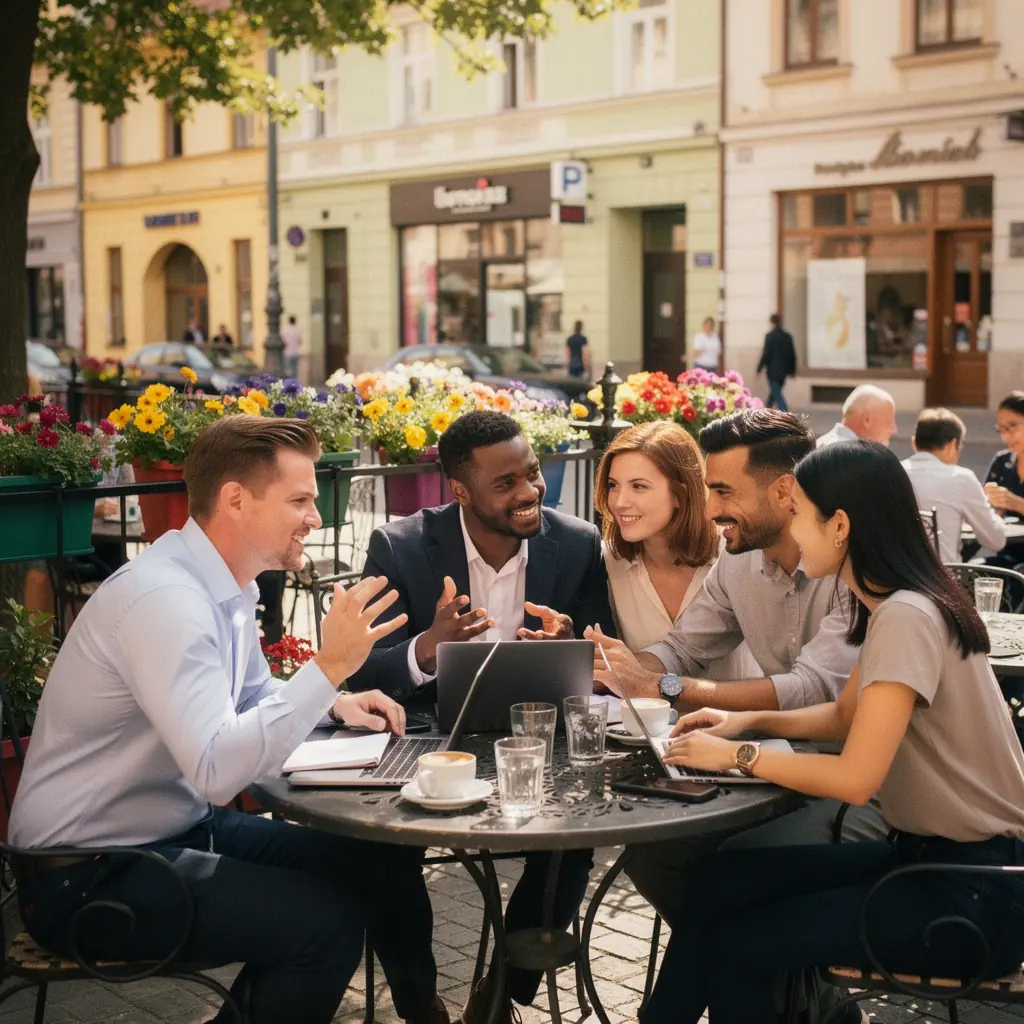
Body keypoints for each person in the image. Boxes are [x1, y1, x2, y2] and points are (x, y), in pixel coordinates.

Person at [8, 416, 446, 1024]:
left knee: (384, 858)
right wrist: (328, 670)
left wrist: (334, 700)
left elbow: (250, 695)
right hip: (85, 879)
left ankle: (422, 1011)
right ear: (235, 499)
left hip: (169, 835)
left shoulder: (222, 585)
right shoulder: (168, 601)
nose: (316, 518)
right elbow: (217, 770)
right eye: (299, 499)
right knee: (324, 926)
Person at [642, 440, 1024, 1024]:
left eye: (799, 513)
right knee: (722, 879)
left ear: (839, 524)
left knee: (741, 944)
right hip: (930, 863)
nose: (792, 530)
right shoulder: (899, 602)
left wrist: (736, 755)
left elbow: (854, 777)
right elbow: (844, 718)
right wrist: (747, 719)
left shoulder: (905, 615)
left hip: (971, 896)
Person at [348, 409, 616, 1023]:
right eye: (507, 483)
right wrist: (426, 648)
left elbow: (609, 655)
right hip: (422, 740)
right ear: (460, 491)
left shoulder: (576, 545)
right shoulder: (402, 546)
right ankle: (419, 1007)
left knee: (573, 847)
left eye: (533, 474)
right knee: (380, 851)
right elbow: (358, 669)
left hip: (539, 742)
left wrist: (575, 644)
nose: (529, 493)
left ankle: (501, 997)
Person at [585, 410, 882, 932]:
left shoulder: (852, 565)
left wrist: (658, 685)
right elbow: (683, 647)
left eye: (723, 492)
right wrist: (622, 667)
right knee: (653, 850)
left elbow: (811, 691)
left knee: (730, 869)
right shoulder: (737, 559)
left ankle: (763, 974)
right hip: (773, 762)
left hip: (856, 783)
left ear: (785, 492)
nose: (710, 508)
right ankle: (766, 977)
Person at [595, 420, 757, 680]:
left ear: (679, 495)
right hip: (640, 721)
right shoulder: (606, 560)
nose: (619, 501)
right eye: (613, 485)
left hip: (739, 719)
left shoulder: (735, 553)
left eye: (639, 486)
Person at [902, 408, 1005, 564]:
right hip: (942, 580)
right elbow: (996, 540)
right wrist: (998, 516)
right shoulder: (961, 478)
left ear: (914, 442)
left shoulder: (892, 471)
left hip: (895, 577)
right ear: (952, 445)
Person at [818, 384, 897, 448]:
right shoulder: (853, 455)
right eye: (888, 422)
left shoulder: (823, 444)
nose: (894, 430)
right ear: (867, 420)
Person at [984, 391, 1024, 518]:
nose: (1006, 436)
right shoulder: (1002, 461)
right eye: (1001, 429)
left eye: (1012, 426)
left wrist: (1018, 504)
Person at [756, 313, 796, 411]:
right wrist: (792, 370)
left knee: (776, 392)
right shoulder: (787, 336)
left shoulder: (770, 337)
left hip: (772, 371)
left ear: (772, 323)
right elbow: (792, 354)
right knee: (775, 391)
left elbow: (766, 355)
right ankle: (767, 409)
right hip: (783, 371)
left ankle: (785, 411)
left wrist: (759, 369)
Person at [282, 315, 302, 380]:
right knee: (295, 371)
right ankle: (294, 384)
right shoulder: (297, 330)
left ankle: (288, 384)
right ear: (295, 321)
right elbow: (300, 341)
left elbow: (282, 341)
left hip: (287, 353)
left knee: (287, 370)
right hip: (295, 352)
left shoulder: (285, 330)